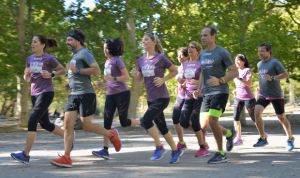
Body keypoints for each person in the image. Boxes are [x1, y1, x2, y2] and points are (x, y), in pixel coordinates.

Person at [50, 30, 121, 168]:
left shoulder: (85, 53)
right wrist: (69, 82)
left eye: (70, 40)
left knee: (86, 126)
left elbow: (96, 70)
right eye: (67, 40)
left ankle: (111, 134)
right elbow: (75, 72)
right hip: (74, 94)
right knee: (67, 125)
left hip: (86, 94)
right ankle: (66, 157)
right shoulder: (75, 55)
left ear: (78, 41)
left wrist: (78, 71)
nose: (67, 42)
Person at [10, 35, 66, 165]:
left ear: (42, 45)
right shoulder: (29, 59)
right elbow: (26, 78)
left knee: (33, 119)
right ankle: (68, 137)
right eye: (32, 41)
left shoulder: (49, 58)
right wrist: (27, 74)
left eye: (35, 42)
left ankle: (25, 154)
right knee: (45, 124)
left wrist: (52, 74)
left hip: (46, 92)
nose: (32, 44)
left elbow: (63, 70)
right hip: (34, 94)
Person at [132, 33, 182, 164]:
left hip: (162, 98)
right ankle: (176, 150)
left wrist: (163, 79)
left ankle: (159, 147)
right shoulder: (141, 60)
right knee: (163, 127)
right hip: (151, 98)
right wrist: (136, 75)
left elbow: (174, 71)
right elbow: (140, 79)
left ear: (154, 42)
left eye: (147, 40)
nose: (144, 42)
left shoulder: (160, 58)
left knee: (146, 120)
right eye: (143, 41)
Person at [92, 38, 140, 159]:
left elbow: (126, 77)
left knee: (124, 122)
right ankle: (105, 150)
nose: (103, 50)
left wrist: (114, 79)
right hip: (110, 94)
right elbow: (109, 81)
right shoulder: (107, 62)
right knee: (106, 123)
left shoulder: (118, 61)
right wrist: (102, 84)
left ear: (109, 49)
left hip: (122, 93)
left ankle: (144, 121)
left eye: (104, 48)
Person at [197, 26, 238, 164]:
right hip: (207, 93)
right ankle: (229, 133)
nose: (203, 38)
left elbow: (234, 72)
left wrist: (220, 80)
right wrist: (199, 88)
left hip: (220, 92)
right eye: (202, 35)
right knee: (204, 124)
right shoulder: (201, 54)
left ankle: (221, 153)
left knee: (213, 120)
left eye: (206, 35)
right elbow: (203, 72)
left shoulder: (222, 52)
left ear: (213, 36)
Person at [253, 42, 295, 151]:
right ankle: (263, 137)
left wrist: (272, 78)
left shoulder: (275, 62)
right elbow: (262, 78)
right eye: (259, 51)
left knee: (281, 117)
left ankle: (290, 138)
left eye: (262, 51)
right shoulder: (259, 64)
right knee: (256, 112)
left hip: (275, 94)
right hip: (263, 94)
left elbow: (286, 74)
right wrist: (259, 88)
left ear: (268, 52)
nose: (260, 53)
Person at [179, 41, 208, 157]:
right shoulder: (185, 64)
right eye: (188, 47)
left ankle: (202, 147)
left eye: (192, 47)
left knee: (194, 119)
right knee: (183, 121)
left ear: (198, 50)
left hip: (199, 95)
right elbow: (184, 78)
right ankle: (201, 134)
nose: (189, 49)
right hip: (188, 95)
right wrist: (183, 83)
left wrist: (198, 84)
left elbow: (206, 79)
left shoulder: (201, 63)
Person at [232, 54, 256, 145]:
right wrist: (235, 89)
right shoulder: (235, 71)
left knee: (255, 119)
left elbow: (249, 83)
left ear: (244, 61)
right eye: (235, 60)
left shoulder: (247, 70)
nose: (236, 62)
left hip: (248, 98)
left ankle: (263, 135)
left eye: (238, 60)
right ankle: (238, 138)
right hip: (238, 98)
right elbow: (238, 84)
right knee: (235, 118)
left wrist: (240, 78)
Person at [172, 47, 188, 151]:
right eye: (178, 55)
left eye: (181, 55)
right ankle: (181, 142)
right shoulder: (179, 68)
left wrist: (184, 83)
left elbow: (193, 79)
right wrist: (177, 87)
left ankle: (203, 141)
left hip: (189, 96)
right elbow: (180, 81)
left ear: (187, 56)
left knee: (186, 122)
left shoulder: (191, 66)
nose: (179, 57)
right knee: (175, 118)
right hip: (180, 96)